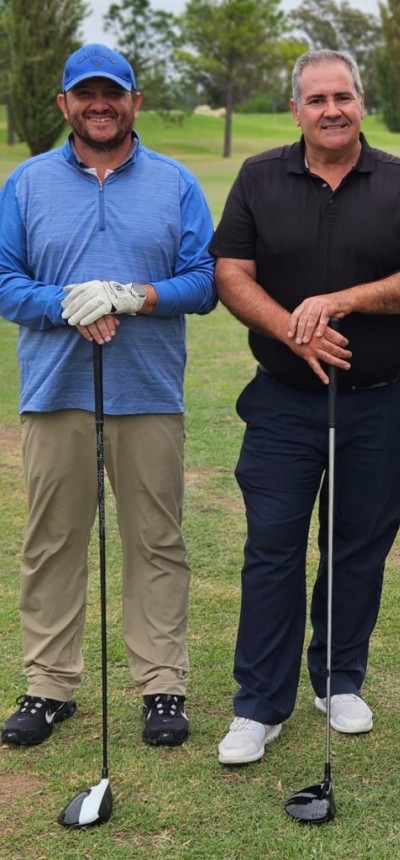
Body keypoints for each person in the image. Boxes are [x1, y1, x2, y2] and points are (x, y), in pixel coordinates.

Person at [210, 49, 400, 765]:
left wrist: (342, 301)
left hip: (380, 404)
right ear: (296, 110)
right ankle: (258, 705)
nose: (331, 110)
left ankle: (338, 678)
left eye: (343, 96)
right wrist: (294, 328)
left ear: (361, 103)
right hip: (285, 402)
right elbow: (230, 272)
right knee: (273, 546)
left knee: (357, 545)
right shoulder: (260, 177)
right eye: (316, 99)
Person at [0, 44, 216, 747]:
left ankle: (161, 683)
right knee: (53, 541)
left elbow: (204, 281)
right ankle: (49, 684)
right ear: (64, 104)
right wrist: (68, 303)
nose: (100, 105)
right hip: (54, 392)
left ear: (134, 103)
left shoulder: (176, 182)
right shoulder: (26, 183)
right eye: (85, 94)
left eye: (112, 93)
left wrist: (136, 294)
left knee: (156, 540)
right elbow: (5, 282)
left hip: (148, 393)